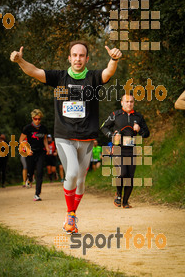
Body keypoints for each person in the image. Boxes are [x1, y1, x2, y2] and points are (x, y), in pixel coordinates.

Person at [10, 41, 122, 233]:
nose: (78, 58)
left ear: (87, 59)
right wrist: (20, 61)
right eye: (74, 55)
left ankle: (71, 215)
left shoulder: (93, 77)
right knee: (71, 174)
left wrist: (113, 59)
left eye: (81, 55)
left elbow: (108, 73)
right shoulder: (59, 77)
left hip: (86, 137)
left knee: (80, 180)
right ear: (69, 58)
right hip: (64, 136)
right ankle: (71, 214)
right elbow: (34, 71)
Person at [101, 95, 150, 208]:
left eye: (131, 102)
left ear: (134, 103)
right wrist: (112, 136)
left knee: (130, 177)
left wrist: (140, 129)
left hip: (132, 149)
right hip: (118, 148)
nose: (129, 103)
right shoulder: (115, 115)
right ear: (122, 103)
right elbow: (104, 127)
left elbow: (147, 133)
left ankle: (126, 202)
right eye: (126, 101)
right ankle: (118, 194)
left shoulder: (138, 116)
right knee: (122, 173)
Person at [19, 109, 49, 201]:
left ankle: (37, 194)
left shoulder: (43, 128)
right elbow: (21, 140)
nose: (37, 121)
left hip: (41, 152)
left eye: (39, 119)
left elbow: (44, 139)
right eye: (35, 119)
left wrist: (47, 148)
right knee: (30, 170)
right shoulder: (27, 128)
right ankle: (29, 178)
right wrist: (28, 150)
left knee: (40, 172)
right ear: (32, 118)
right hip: (31, 153)